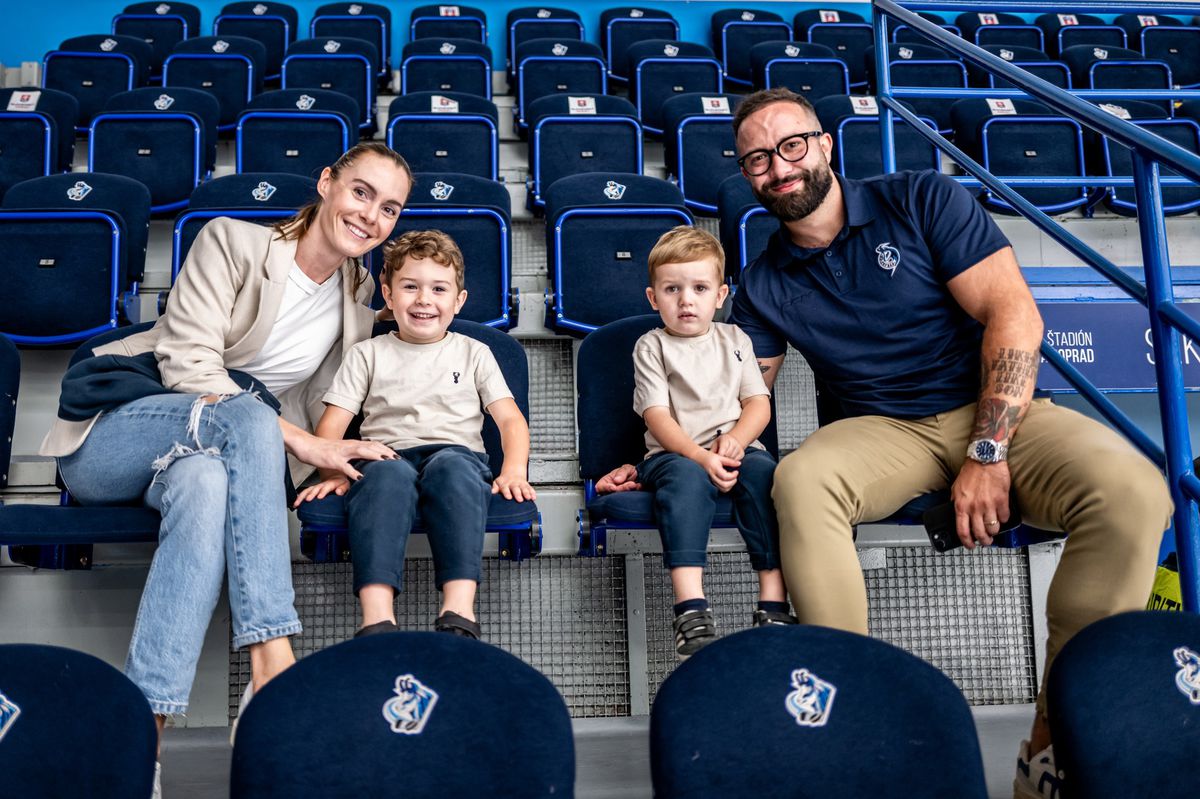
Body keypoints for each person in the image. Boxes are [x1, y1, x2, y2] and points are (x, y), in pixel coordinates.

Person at [598, 87, 1171, 798]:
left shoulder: (924, 198)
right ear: (745, 175)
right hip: (880, 431)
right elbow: (737, 395)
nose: (778, 168)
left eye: (791, 146)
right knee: (802, 480)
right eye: (757, 159)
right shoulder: (767, 281)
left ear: (826, 145)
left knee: (1136, 489)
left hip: (996, 411)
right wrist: (650, 461)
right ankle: (847, 724)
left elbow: (1014, 315)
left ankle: (1059, 740)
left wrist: (987, 452)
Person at [40, 142, 413, 749]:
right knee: (245, 414)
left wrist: (338, 455)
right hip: (117, 432)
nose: (372, 216)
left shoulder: (358, 293)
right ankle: (272, 660)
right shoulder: (232, 241)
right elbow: (189, 365)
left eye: (390, 208)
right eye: (362, 193)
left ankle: (144, 736)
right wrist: (310, 448)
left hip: (202, 460)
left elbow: (336, 395)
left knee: (208, 485)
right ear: (326, 183)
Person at [294, 230, 535, 641]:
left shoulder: (473, 352)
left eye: (438, 289)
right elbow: (333, 423)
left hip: (456, 454)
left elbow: (510, 421)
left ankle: (459, 610)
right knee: (385, 476)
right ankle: (377, 618)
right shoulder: (367, 353)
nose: (424, 299)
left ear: (458, 300)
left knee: (454, 471)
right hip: (386, 454)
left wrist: (513, 471)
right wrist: (331, 473)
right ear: (387, 294)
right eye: (410, 287)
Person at [630, 226, 792, 659]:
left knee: (766, 475)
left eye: (699, 288)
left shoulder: (735, 340)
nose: (686, 300)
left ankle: (773, 601)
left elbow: (758, 403)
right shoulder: (652, 346)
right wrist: (700, 456)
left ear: (720, 296)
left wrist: (737, 441)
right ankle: (690, 606)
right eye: (672, 289)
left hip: (734, 450)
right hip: (673, 455)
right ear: (653, 298)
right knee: (683, 480)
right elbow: (657, 416)